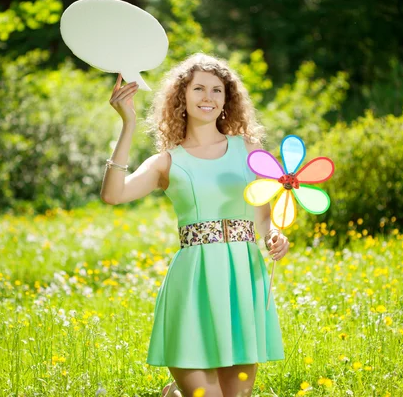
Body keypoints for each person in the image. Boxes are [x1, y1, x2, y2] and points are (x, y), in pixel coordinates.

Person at [100, 53, 290, 397]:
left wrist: (274, 235)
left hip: (243, 281)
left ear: (227, 99)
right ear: (181, 98)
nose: (208, 97)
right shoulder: (167, 161)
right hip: (194, 283)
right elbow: (114, 195)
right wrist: (127, 123)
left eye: (217, 90)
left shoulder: (249, 150)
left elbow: (263, 214)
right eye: (198, 88)